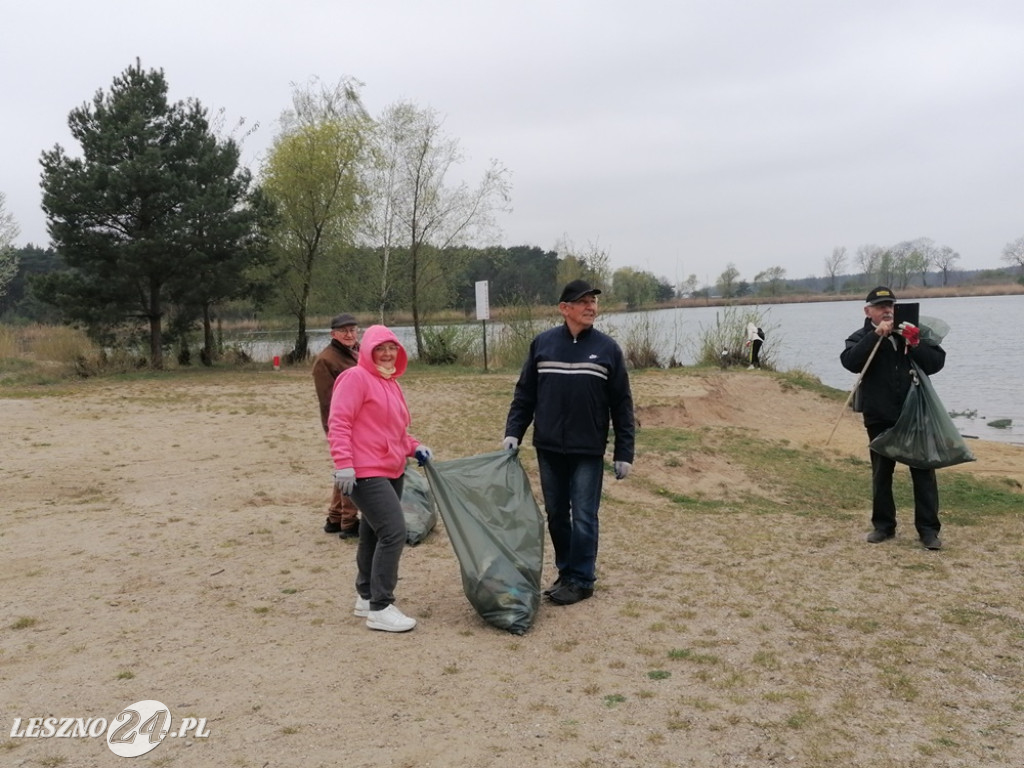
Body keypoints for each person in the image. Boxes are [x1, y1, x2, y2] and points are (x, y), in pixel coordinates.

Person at [502, 279, 636, 605]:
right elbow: (525, 395)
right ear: (565, 309)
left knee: (585, 515)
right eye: (583, 301)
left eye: (594, 302)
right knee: (557, 514)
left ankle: (583, 579)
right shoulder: (543, 345)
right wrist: (513, 433)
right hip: (548, 447)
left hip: (587, 450)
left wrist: (624, 452)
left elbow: (622, 404)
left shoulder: (607, 349)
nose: (591, 307)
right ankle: (566, 572)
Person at [328, 325, 432, 632]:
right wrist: (344, 464)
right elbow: (340, 423)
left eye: (392, 348)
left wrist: (415, 447)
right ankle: (381, 606)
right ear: (368, 350)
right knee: (393, 532)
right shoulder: (355, 378)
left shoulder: (390, 382)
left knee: (373, 533)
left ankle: (366, 595)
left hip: (392, 468)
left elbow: (394, 431)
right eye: (380, 348)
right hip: (364, 471)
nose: (387, 354)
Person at [840, 286, 946, 550]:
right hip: (879, 415)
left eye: (891, 305)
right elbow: (850, 362)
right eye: (880, 306)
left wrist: (915, 343)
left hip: (915, 414)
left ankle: (928, 531)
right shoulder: (860, 336)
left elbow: (936, 364)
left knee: (923, 471)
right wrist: (875, 337)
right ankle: (884, 526)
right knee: (881, 473)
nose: (887, 310)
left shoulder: (913, 332)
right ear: (868, 311)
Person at [311, 313, 361, 538]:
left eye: (353, 330)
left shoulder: (359, 352)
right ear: (334, 334)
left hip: (360, 420)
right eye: (344, 331)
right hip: (342, 423)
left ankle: (334, 517)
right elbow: (329, 401)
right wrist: (340, 428)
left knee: (345, 470)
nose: (349, 334)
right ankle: (349, 523)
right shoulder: (326, 360)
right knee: (354, 467)